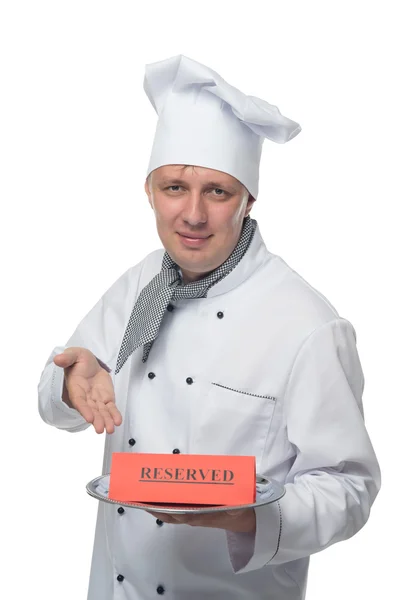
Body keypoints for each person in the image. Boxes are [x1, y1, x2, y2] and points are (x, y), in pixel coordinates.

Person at [38, 54, 381, 600]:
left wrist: (251, 517)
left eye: (217, 192)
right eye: (174, 187)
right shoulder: (140, 284)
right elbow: (58, 403)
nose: (192, 215)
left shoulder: (308, 325)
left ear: (247, 200)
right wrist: (67, 382)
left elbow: (350, 488)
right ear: (148, 192)